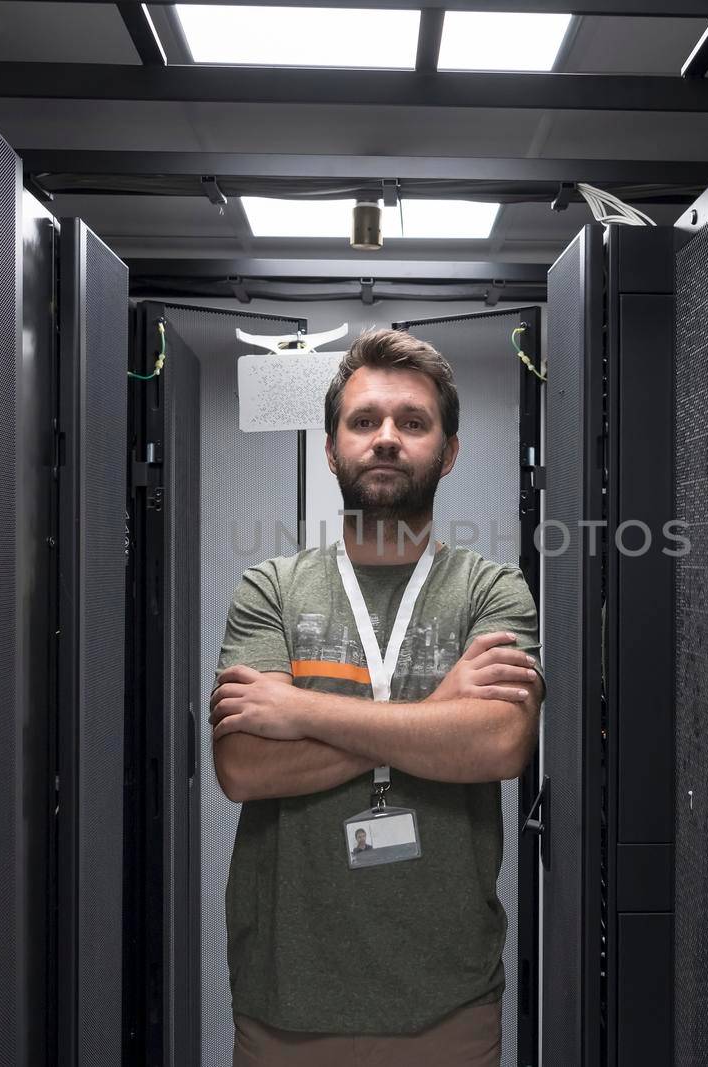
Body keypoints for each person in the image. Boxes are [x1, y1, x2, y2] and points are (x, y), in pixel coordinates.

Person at [209, 328, 545, 1067]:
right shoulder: (272, 588)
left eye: (412, 422)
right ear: (332, 449)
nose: (386, 438)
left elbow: (498, 744)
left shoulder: (490, 590)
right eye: (364, 421)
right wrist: (435, 721)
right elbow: (243, 766)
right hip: (285, 1002)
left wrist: (300, 711)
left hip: (446, 1004)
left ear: (448, 452)